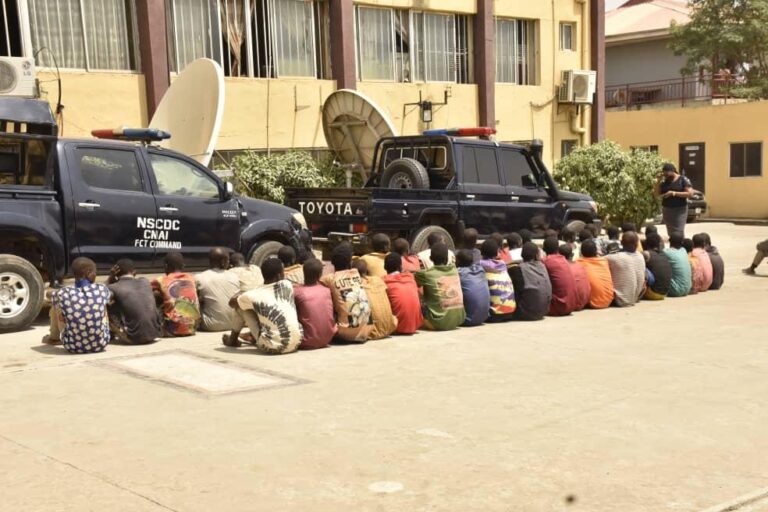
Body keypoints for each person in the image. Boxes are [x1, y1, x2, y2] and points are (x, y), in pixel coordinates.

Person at [231, 259, 303, 354]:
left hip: (272, 347)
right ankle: (254, 336)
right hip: (296, 343)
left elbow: (231, 303)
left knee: (241, 307)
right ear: (278, 276)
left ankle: (232, 339)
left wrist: (241, 295)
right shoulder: (287, 285)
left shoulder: (254, 295)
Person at [46, 257, 111, 353]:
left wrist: (57, 292)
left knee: (56, 304)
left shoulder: (63, 293)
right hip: (101, 344)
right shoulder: (101, 289)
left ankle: (54, 337)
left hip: (72, 346)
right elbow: (105, 289)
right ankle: (97, 334)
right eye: (94, 272)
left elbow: (48, 294)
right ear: (88, 273)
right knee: (102, 303)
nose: (95, 275)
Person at [320, 243, 372, 343]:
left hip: (345, 334)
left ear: (333, 263)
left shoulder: (329, 279)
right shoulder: (356, 273)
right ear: (350, 262)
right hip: (368, 329)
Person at [106, 258, 161, 345]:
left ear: (116, 273)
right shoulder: (145, 281)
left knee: (107, 306)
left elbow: (101, 296)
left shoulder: (113, 287)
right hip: (155, 334)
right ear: (134, 272)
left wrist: (110, 277)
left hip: (134, 337)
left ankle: (109, 333)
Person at [414, 242, 465, 330]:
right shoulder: (455, 270)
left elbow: (414, 282)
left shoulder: (427, 274)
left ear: (430, 258)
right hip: (459, 320)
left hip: (438, 323)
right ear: (447, 258)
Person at [152, 252, 200, 336]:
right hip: (192, 329)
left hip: (171, 330)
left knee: (156, 293)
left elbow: (144, 289)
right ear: (183, 266)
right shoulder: (191, 278)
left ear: (166, 266)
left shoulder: (161, 280)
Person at [293, 258, 337, 349]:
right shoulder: (326, 290)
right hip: (329, 338)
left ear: (303, 273)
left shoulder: (297, 292)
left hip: (306, 341)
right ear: (320, 275)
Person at [195, 248, 241, 332]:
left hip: (211, 326)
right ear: (223, 262)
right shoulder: (234, 276)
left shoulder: (200, 277)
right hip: (234, 324)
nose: (229, 263)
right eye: (228, 260)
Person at [353, 259, 398, 340]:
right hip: (390, 328)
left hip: (372, 332)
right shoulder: (378, 280)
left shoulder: (355, 285)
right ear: (367, 270)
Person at [509, 242, 552, 321]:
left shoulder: (518, 269)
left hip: (527, 313)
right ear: (536, 255)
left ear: (522, 255)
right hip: (544, 311)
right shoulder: (542, 266)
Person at [382, 253, 424, 334]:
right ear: (401, 267)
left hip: (397, 327)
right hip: (415, 325)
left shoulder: (384, 282)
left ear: (384, 267)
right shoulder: (410, 277)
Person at [478, 239, 516, 321]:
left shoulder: (480, 264)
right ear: (496, 253)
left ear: (481, 252)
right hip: (510, 312)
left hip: (493, 314)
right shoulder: (502, 264)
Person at [605, 232, 646, 307]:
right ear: (637, 243)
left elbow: (597, 260)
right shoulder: (641, 256)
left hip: (619, 300)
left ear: (621, 243)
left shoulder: (614, 258)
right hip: (636, 298)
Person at [655, 163, 693, 238]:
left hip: (680, 209)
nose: (666, 176)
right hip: (667, 209)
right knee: (671, 232)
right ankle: (673, 246)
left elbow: (690, 194)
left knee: (679, 231)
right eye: (664, 174)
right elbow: (656, 194)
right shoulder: (664, 181)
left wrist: (674, 193)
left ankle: (681, 247)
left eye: (667, 173)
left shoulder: (682, 179)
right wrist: (658, 181)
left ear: (673, 171)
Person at [542, 236, 578, 316]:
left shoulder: (546, 261)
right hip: (572, 305)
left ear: (544, 249)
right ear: (558, 249)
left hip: (558, 307)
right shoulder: (563, 259)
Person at [455, 249, 491, 327]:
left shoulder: (459, 273)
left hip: (467, 320)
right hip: (484, 317)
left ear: (457, 260)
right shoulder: (481, 270)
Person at [577, 239, 615, 309]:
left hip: (592, 302)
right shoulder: (604, 261)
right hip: (608, 299)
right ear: (595, 251)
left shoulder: (578, 262)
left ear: (581, 252)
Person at [559, 245, 590, 311]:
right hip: (584, 303)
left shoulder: (561, 268)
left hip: (570, 304)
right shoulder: (580, 266)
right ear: (572, 254)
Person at [642, 233, 672, 300]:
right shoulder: (664, 254)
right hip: (665, 293)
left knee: (641, 268)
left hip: (653, 293)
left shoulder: (646, 254)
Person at [664, 233, 693, 298]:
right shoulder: (684, 251)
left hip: (675, 290)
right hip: (687, 289)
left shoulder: (667, 252)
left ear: (669, 241)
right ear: (682, 242)